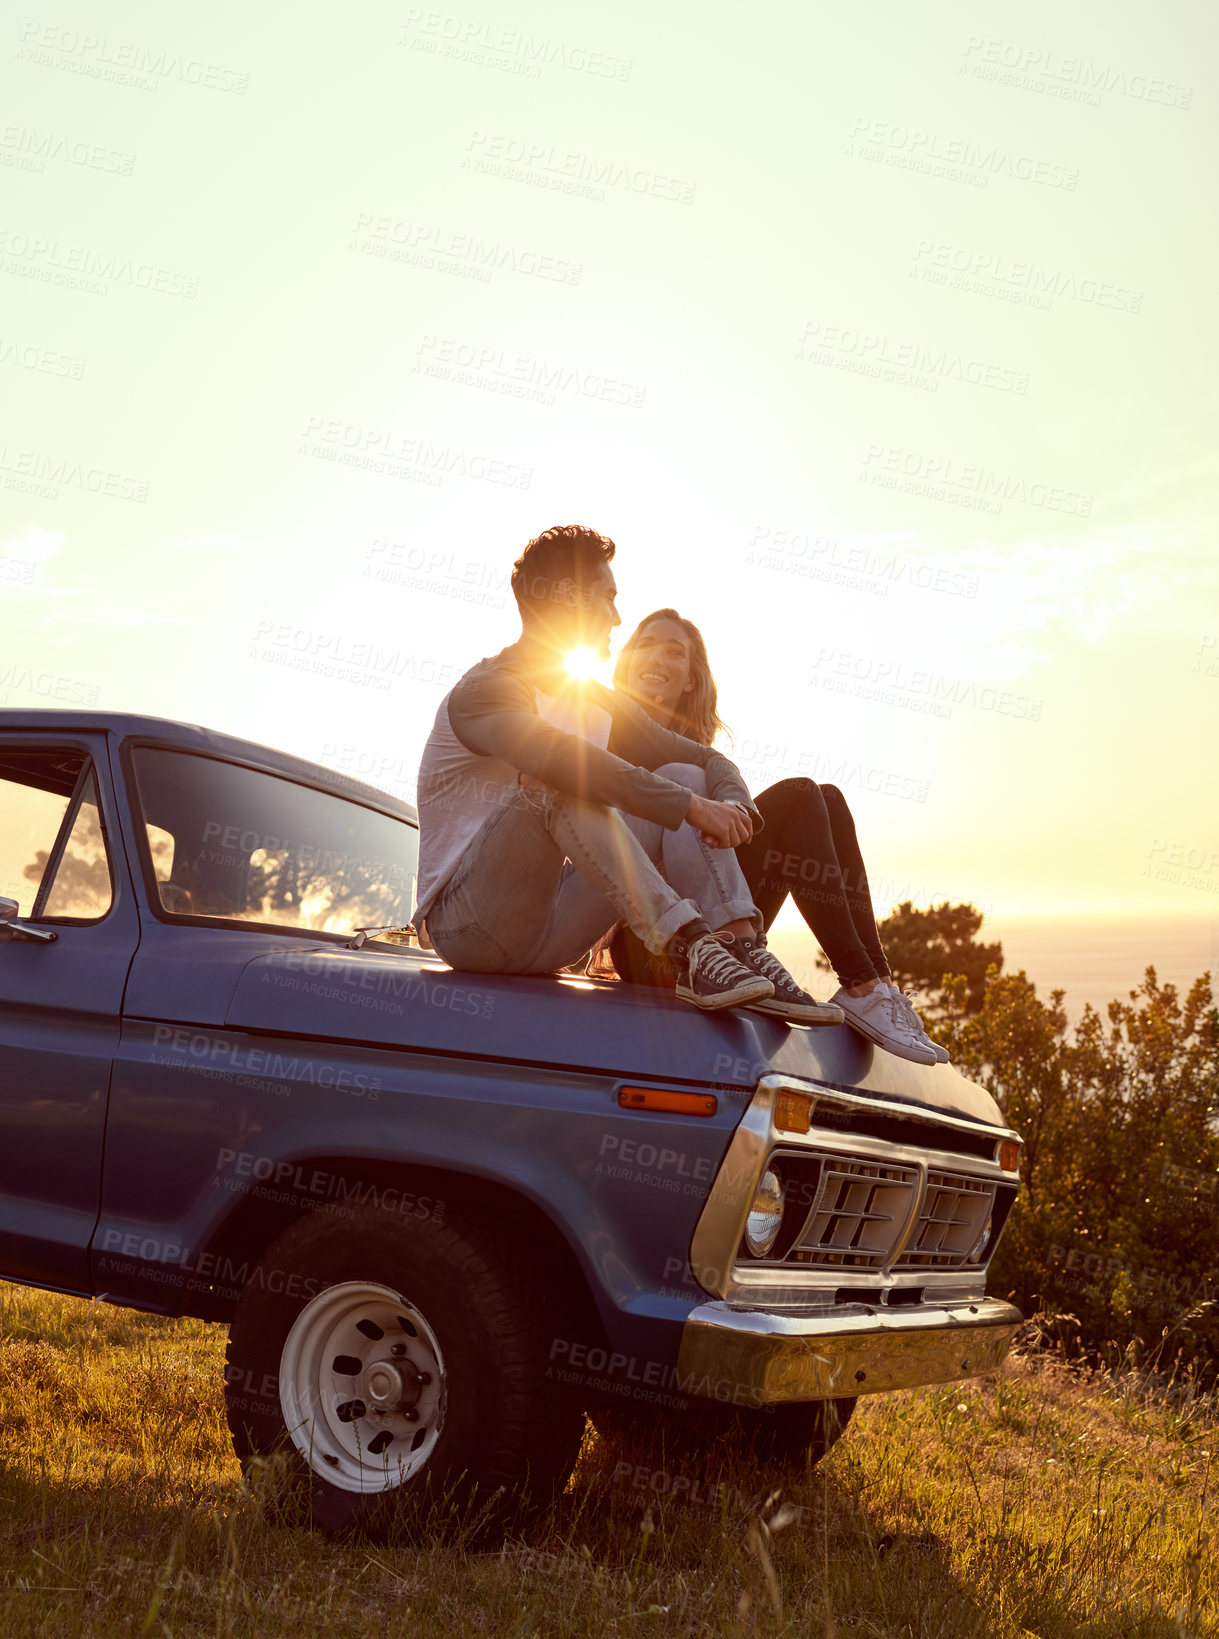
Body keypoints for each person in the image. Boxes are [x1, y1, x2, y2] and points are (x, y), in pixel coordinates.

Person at [411, 527, 839, 1023]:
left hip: (555, 932)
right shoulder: (487, 690)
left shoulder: (593, 698)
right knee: (560, 778)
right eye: (607, 599)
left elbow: (708, 761)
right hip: (470, 928)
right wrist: (692, 807)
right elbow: (563, 761)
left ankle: (739, 944)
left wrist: (733, 803)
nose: (616, 617)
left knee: (682, 771)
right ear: (567, 599)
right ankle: (688, 943)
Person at [608, 608, 947, 1065]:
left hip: (722, 940)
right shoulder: (600, 727)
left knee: (825, 798)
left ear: (690, 678)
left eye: (674, 651)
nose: (656, 657)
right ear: (626, 661)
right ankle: (863, 985)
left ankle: (874, 985)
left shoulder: (699, 753)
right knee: (798, 795)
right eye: (644, 645)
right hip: (654, 944)